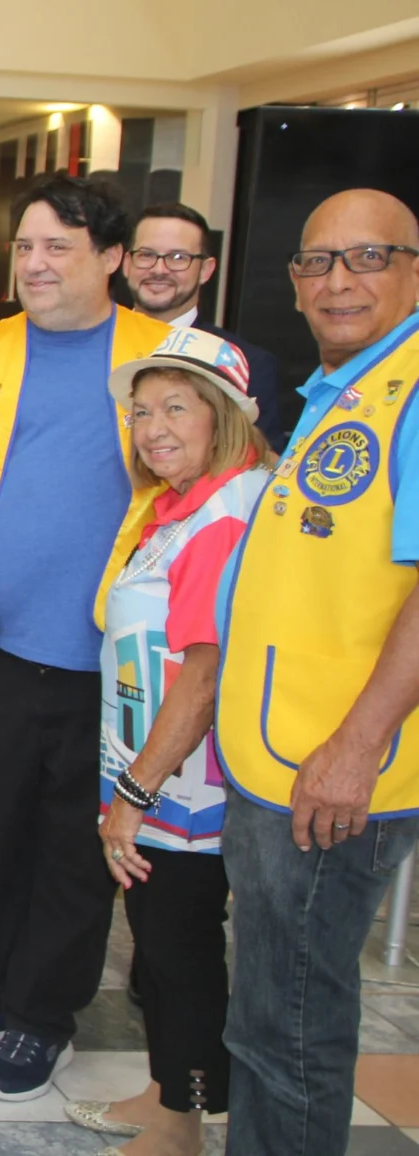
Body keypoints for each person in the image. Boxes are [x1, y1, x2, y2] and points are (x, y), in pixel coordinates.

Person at [0, 174, 171, 1101]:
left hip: (112, 656)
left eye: (57, 247)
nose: (35, 264)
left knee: (74, 841)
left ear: (110, 260)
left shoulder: (164, 354)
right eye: (24, 247)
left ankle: (44, 1015)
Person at [214, 189, 419, 1156]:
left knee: (288, 1027)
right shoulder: (342, 388)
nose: (340, 281)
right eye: (319, 262)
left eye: (369, 257)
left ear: (414, 269)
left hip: (336, 775)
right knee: (264, 1015)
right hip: (278, 754)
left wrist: (357, 743)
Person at [62, 329, 271, 1156]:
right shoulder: (180, 507)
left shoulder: (226, 515)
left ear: (223, 415)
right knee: (158, 942)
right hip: (153, 775)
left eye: (174, 408)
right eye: (142, 411)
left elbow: (204, 676)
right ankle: (164, 1093)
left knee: (178, 948)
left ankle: (181, 1122)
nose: (152, 428)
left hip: (188, 791)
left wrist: (134, 797)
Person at [125, 203, 284, 450]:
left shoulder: (246, 363)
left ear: (206, 270)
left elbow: (258, 466)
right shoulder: (91, 350)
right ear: (127, 263)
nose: (159, 269)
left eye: (179, 258)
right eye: (146, 255)